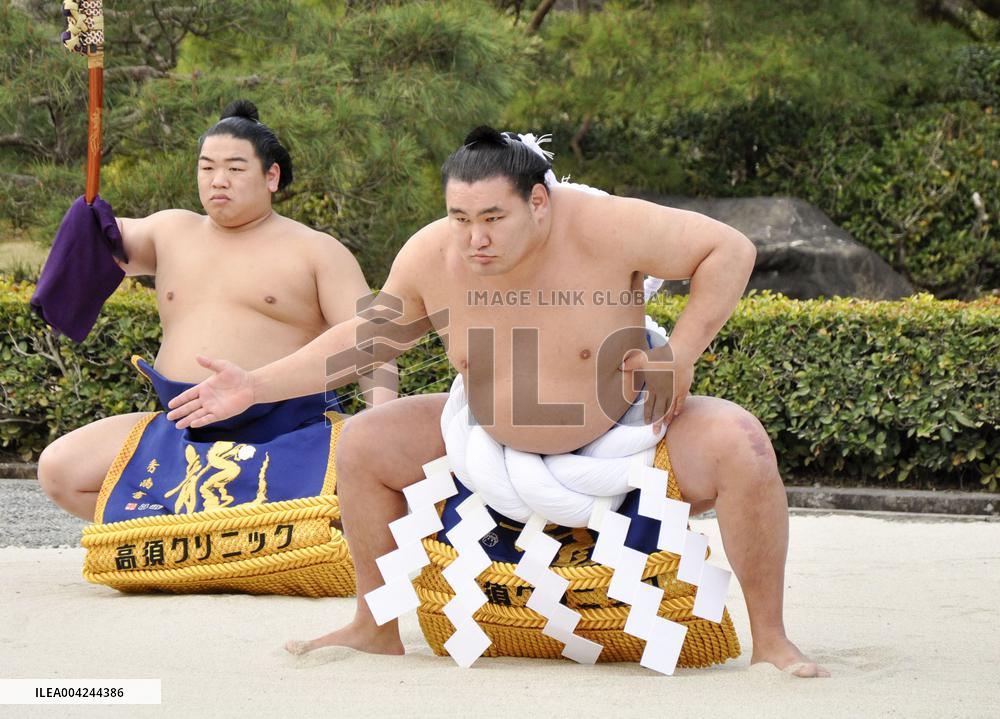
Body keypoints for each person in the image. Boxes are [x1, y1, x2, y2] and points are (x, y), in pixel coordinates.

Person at [165, 126, 829, 677]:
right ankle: (376, 624)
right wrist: (254, 385)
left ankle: (769, 637)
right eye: (460, 218)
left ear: (540, 202)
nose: (473, 238)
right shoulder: (434, 255)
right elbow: (367, 339)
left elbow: (728, 249)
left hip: (629, 432)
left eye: (492, 218)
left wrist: (678, 353)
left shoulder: (605, 224)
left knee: (742, 444)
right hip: (484, 444)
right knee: (366, 442)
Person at [36, 100, 396, 522]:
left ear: (272, 176)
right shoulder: (169, 231)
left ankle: (248, 532)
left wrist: (382, 423)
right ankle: (192, 538)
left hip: (288, 432)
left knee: (367, 491)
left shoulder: (317, 251)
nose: (218, 180)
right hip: (182, 428)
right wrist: (89, 213)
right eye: (207, 168)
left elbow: (373, 343)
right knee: (61, 469)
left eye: (235, 169)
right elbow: (103, 238)